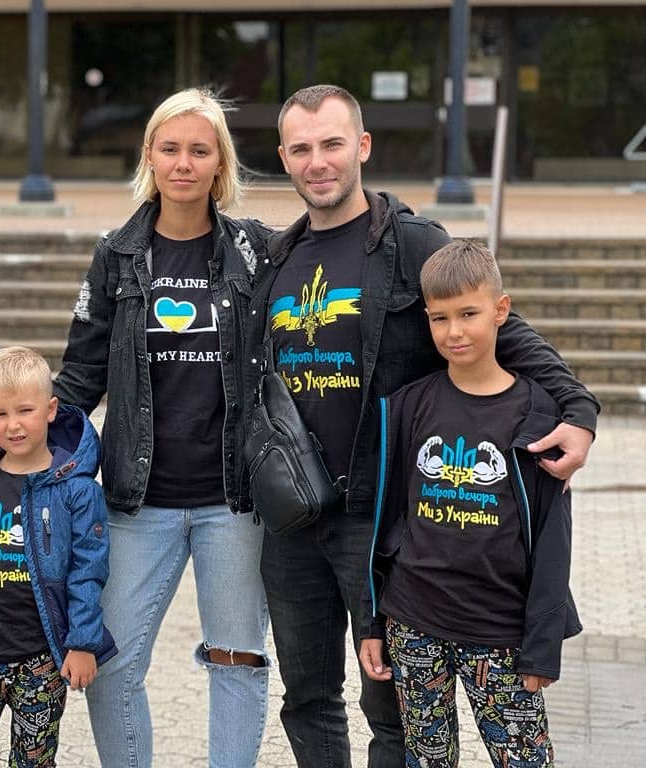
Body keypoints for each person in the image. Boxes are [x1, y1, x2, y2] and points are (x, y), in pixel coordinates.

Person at [247, 84, 599, 768]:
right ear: (285, 159)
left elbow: (510, 332)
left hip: (376, 519)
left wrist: (579, 412)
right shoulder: (276, 260)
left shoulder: (410, 242)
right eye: (301, 149)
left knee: (394, 714)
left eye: (332, 144)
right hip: (292, 521)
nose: (318, 161)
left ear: (362, 147)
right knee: (307, 696)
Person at [0, 88, 273, 767]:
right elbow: (79, 376)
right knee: (107, 663)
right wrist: (0, 437)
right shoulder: (117, 254)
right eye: (170, 148)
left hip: (234, 500)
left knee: (238, 660)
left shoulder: (258, 252)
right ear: (149, 157)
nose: (183, 163)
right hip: (137, 500)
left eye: (199, 149)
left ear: (220, 162)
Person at [358, 240, 580, 768]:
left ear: (501, 311)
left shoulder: (539, 417)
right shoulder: (410, 407)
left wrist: (543, 643)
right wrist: (373, 622)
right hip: (414, 624)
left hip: (501, 637)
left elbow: (553, 540)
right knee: (427, 759)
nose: (454, 332)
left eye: (468, 314)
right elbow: (386, 520)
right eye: (439, 319)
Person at [0, 346, 115, 767]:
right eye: (0, 414)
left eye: (25, 411)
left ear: (50, 410)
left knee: (33, 761)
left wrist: (82, 643)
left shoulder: (77, 490)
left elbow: (89, 571)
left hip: (41, 659)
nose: (13, 425)